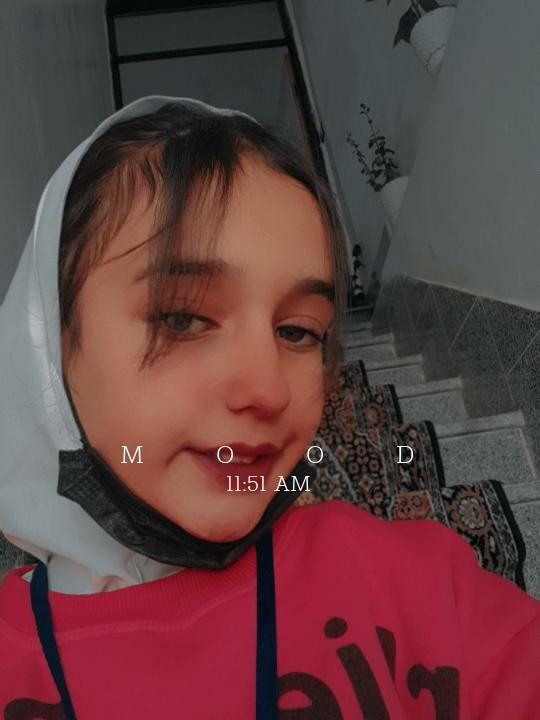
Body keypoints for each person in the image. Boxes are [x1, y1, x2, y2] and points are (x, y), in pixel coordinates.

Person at [0, 96, 538, 720]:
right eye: (182, 317)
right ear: (50, 346)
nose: (269, 389)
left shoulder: (418, 582)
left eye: (299, 330)